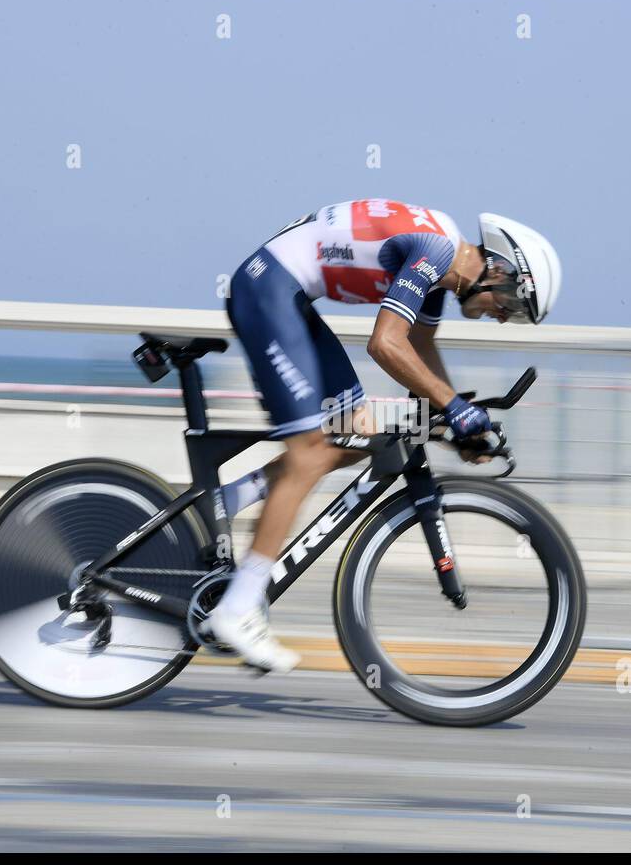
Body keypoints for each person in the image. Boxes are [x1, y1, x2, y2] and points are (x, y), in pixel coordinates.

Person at [209, 199, 561, 672]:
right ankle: (237, 607)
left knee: (355, 436)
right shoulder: (436, 251)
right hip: (267, 290)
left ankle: (218, 505)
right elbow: (385, 344)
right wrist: (455, 409)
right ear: (498, 270)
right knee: (310, 455)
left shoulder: (438, 278)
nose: (502, 318)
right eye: (512, 306)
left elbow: (417, 352)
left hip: (287, 295)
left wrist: (454, 420)